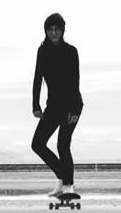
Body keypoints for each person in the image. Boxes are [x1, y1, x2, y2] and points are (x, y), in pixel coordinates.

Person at [30, 13, 83, 201]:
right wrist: (35, 105)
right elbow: (37, 78)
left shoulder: (71, 51)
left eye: (57, 29)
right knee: (37, 144)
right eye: (49, 29)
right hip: (52, 106)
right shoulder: (42, 51)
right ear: (45, 31)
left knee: (62, 145)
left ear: (62, 31)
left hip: (71, 104)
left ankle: (68, 186)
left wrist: (75, 110)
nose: (53, 33)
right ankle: (63, 179)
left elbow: (75, 82)